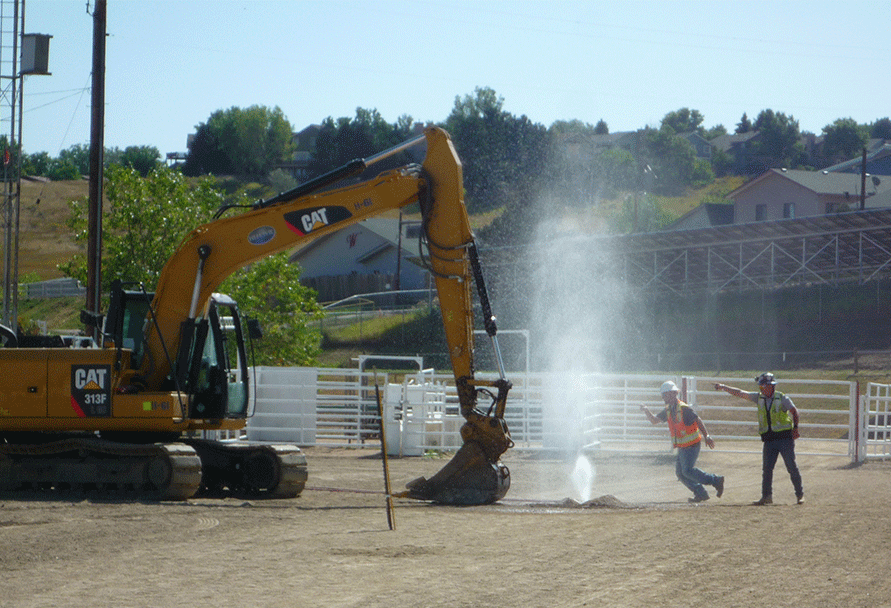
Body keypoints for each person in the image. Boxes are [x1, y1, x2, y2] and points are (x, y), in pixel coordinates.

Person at [714, 372, 804, 505]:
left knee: (791, 466)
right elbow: (740, 393)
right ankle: (766, 496)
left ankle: (799, 494)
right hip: (769, 439)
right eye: (761, 387)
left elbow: (794, 411)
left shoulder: (782, 398)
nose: (763, 389)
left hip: (784, 438)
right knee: (767, 469)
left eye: (764, 386)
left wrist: (795, 428)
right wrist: (724, 387)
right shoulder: (759, 398)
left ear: (771, 386)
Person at [640, 380, 724, 503]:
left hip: (691, 444)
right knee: (680, 473)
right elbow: (654, 420)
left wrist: (707, 435)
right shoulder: (669, 409)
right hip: (683, 446)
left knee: (687, 471)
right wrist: (646, 410)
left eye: (664, 394)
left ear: (672, 394)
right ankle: (700, 492)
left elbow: (698, 420)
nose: (663, 397)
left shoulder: (683, 408)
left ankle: (715, 480)